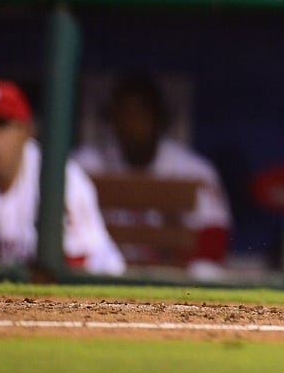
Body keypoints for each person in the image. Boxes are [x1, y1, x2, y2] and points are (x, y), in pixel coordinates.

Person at [72, 75, 232, 275]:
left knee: (205, 271)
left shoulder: (194, 170)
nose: (131, 123)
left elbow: (214, 238)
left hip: (171, 277)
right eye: (123, 114)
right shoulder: (83, 166)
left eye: (140, 114)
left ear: (160, 119)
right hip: (106, 272)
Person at [0, 79, 125, 275]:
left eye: (1, 125)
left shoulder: (59, 178)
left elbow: (78, 263)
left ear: (26, 130)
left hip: (97, 282)